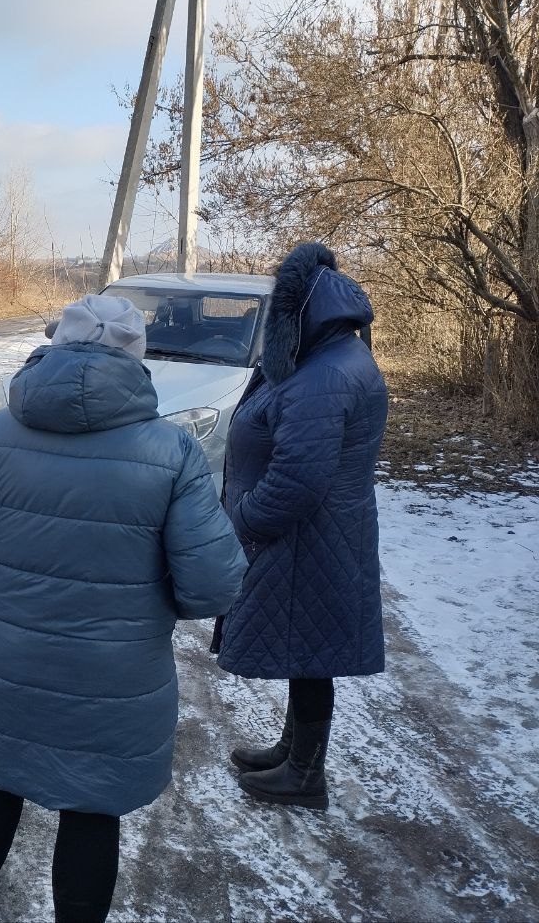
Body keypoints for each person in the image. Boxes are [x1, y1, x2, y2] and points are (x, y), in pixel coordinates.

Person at [0, 295, 247, 923]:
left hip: (10, 658)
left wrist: (1, 589)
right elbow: (212, 583)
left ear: (57, 346)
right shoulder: (171, 452)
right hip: (115, 673)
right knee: (92, 807)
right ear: (136, 357)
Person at [215, 242, 388, 810]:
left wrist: (245, 521)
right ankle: (294, 752)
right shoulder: (334, 356)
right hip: (320, 536)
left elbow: (298, 478)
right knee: (306, 648)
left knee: (312, 651)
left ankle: (305, 774)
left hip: (308, 537)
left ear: (303, 313)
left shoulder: (325, 375)